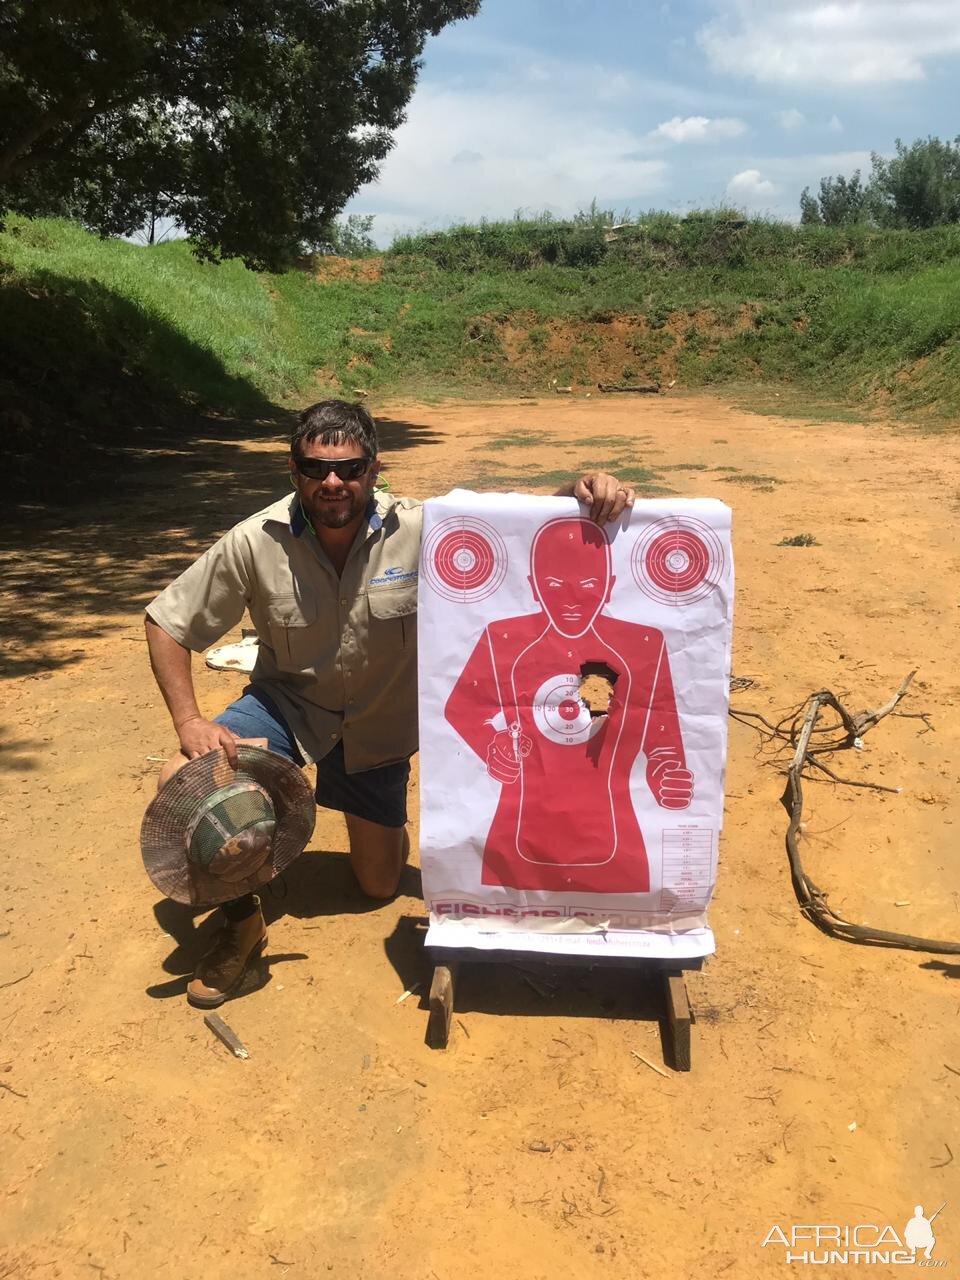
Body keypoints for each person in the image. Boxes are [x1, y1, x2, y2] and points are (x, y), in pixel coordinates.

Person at [145, 399, 635, 1005]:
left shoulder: (424, 530)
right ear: (293, 470)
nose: (332, 483)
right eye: (315, 468)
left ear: (374, 469)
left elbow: (514, 530)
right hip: (289, 709)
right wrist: (190, 720)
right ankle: (242, 923)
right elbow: (167, 622)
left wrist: (578, 492)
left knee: (377, 884)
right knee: (186, 774)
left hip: (380, 726)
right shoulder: (254, 541)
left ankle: (363, 822)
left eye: (349, 469)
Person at [444, 515, 693, 894]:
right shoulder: (505, 639)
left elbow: (662, 735)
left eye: (589, 584)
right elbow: (461, 707)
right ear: (534, 586)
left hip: (615, 840)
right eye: (556, 585)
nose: (572, 598)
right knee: (509, 932)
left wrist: (666, 773)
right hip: (518, 836)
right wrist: (491, 745)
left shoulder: (642, 646)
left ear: (609, 587)